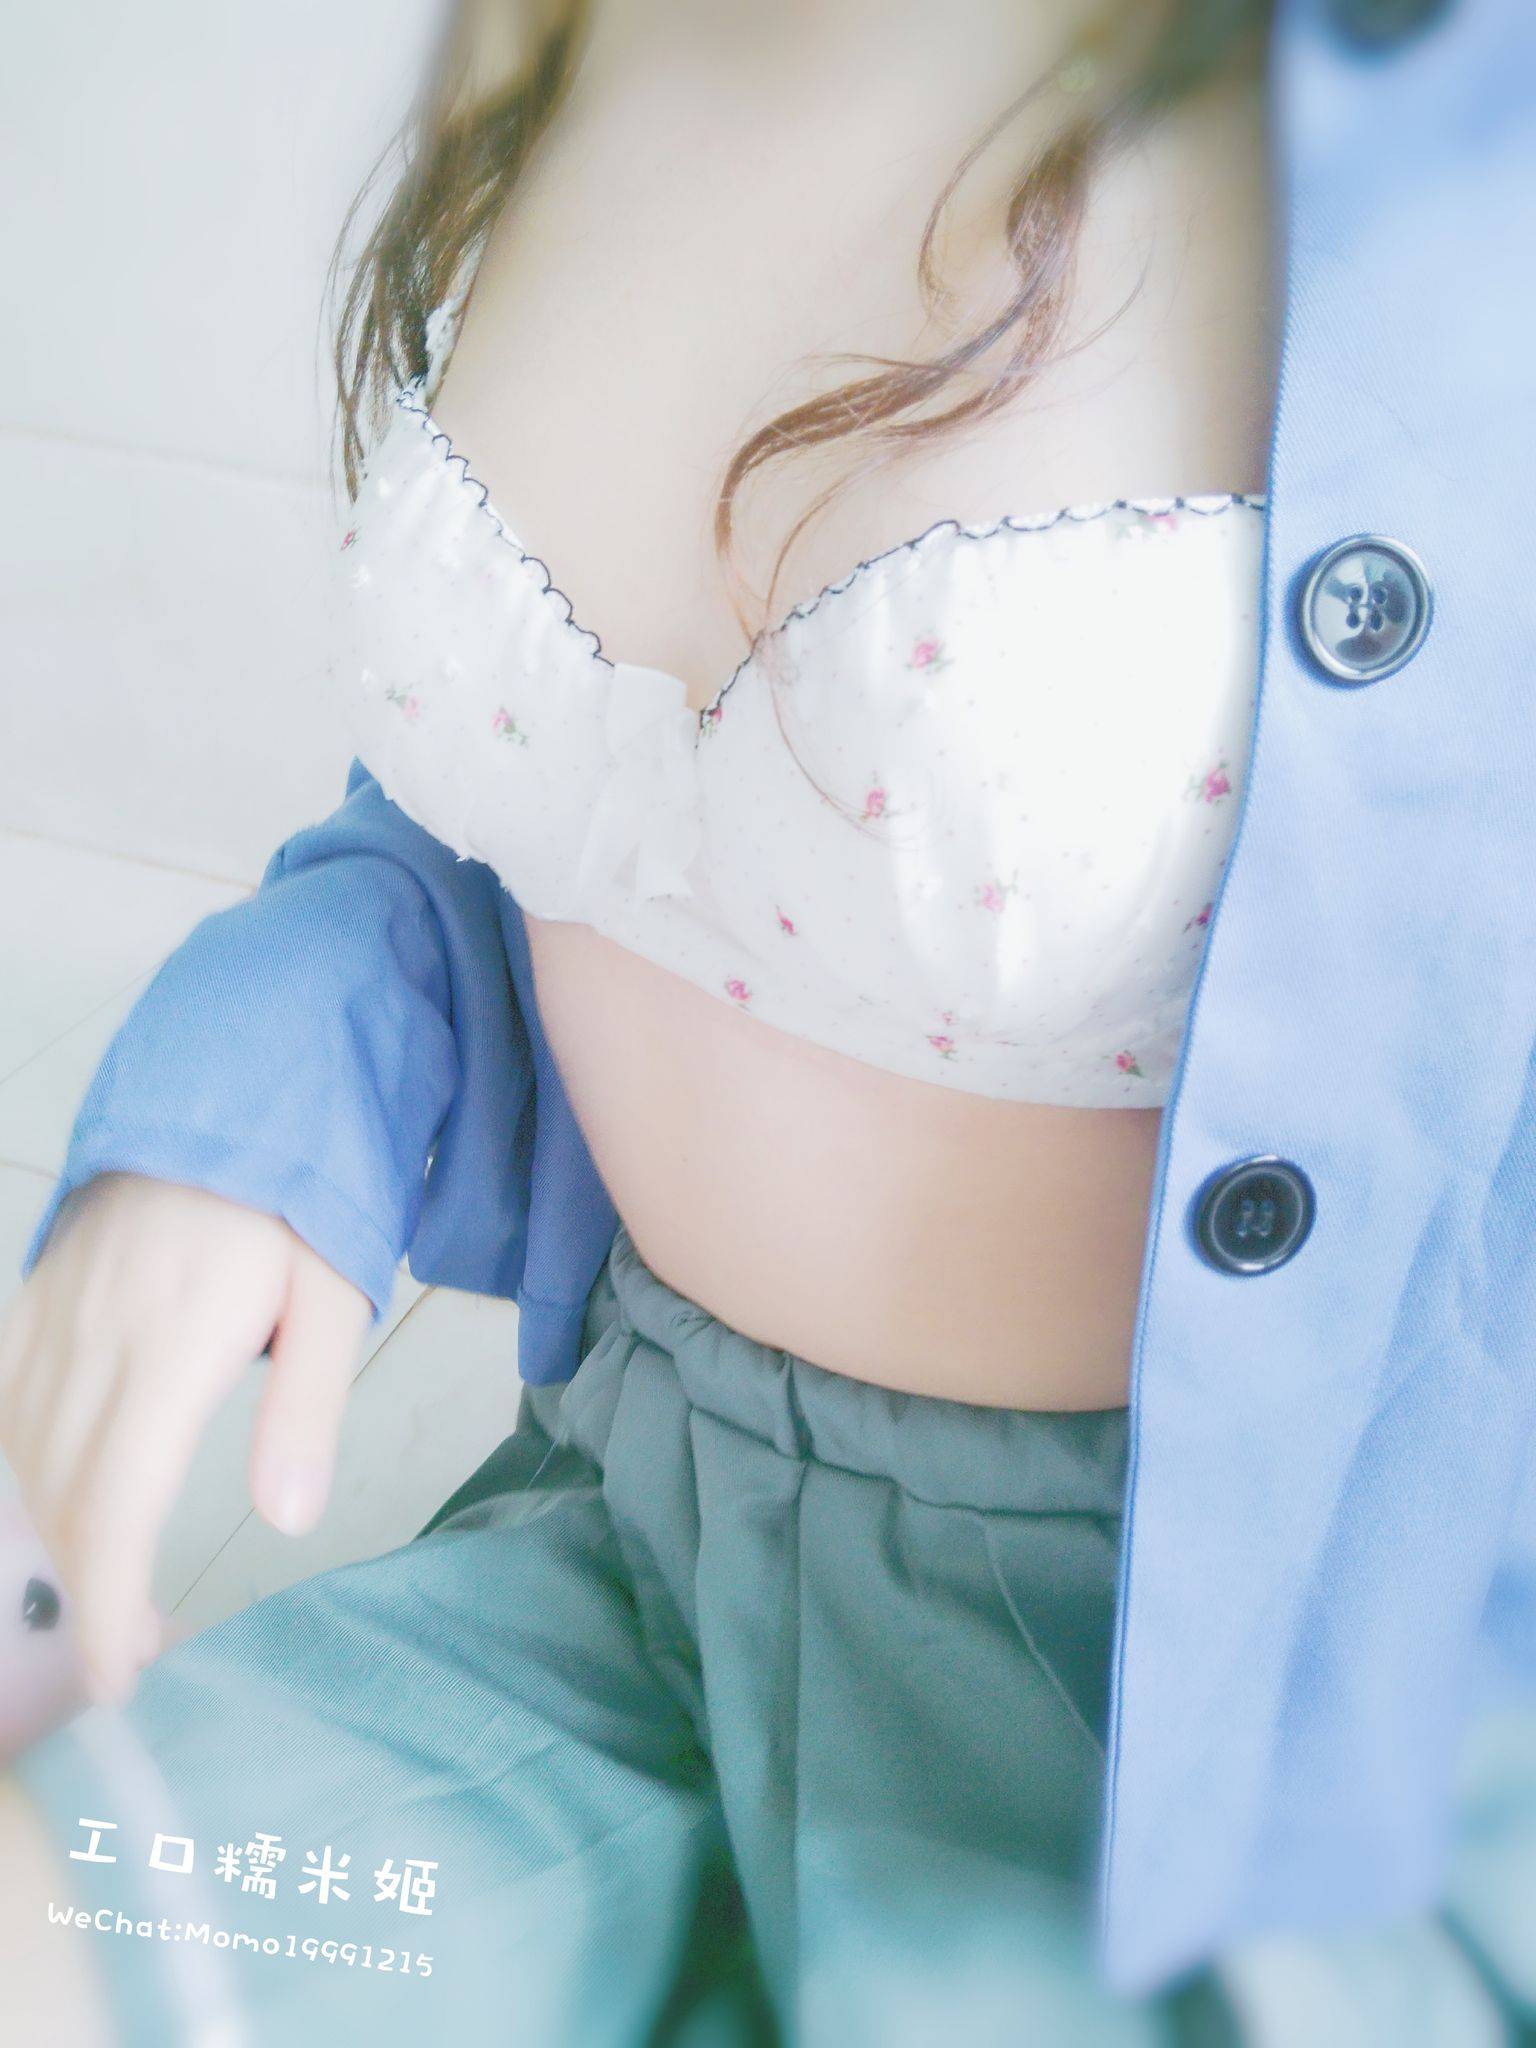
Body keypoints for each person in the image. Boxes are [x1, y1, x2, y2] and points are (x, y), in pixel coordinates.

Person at [4, 0, 1536, 2040]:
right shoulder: (564, 31)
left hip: (1199, 1721)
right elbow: (577, 815)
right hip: (620, 1562)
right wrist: (265, 1089)